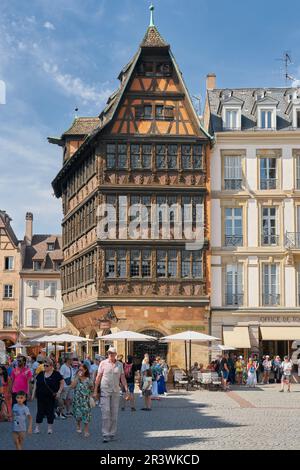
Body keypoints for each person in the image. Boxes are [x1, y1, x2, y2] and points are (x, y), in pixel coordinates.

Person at [93, 346, 128, 443]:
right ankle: (105, 433)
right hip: (105, 390)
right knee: (106, 412)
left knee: (114, 413)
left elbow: (123, 378)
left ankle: (112, 433)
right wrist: (95, 390)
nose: (110, 355)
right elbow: (98, 377)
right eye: (109, 353)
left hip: (115, 391)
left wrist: (126, 390)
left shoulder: (119, 365)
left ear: (115, 354)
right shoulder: (103, 363)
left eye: (112, 353)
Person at [32, 358, 64, 434]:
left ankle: (49, 428)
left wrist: (59, 392)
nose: (45, 367)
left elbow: (62, 383)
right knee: (40, 411)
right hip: (40, 396)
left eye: (47, 366)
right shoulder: (41, 374)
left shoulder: (56, 374)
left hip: (51, 397)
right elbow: (36, 384)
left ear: (51, 366)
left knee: (50, 411)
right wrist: (33, 394)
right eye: (44, 365)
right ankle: (37, 428)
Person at [71, 363, 94, 437]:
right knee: (78, 415)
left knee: (86, 415)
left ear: (85, 370)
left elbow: (92, 388)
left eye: (82, 370)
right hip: (77, 400)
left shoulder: (88, 379)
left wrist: (91, 396)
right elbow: (72, 386)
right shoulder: (76, 378)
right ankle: (78, 424)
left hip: (85, 400)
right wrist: (77, 377)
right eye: (79, 369)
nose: (80, 371)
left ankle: (86, 430)